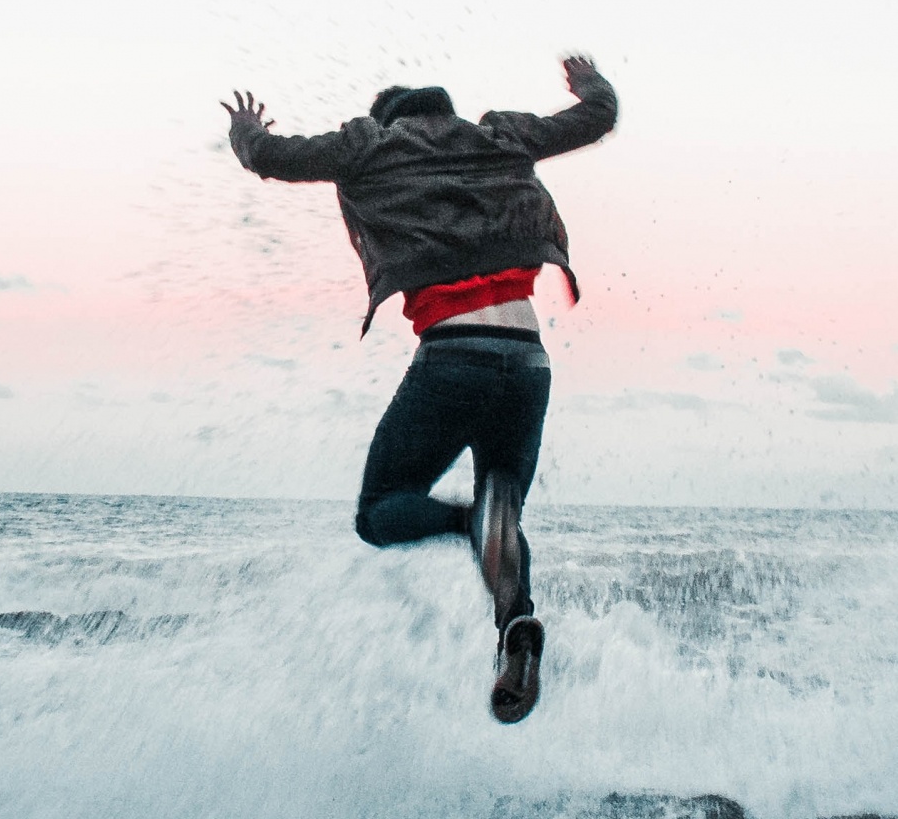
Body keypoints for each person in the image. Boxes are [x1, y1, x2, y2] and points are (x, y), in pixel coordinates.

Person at [222, 56, 618, 720]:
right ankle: (514, 627)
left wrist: (243, 128)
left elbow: (271, 157)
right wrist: (589, 83)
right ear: (442, 109)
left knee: (379, 512)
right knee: (504, 511)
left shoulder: (369, 147)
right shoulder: (500, 137)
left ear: (389, 121)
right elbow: (595, 117)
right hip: (527, 362)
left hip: (454, 356)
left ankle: (468, 524)